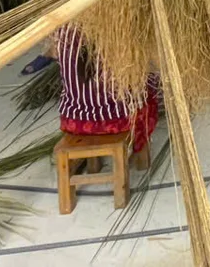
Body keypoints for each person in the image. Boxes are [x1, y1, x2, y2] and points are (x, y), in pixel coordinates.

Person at [56, 25, 157, 169]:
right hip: (119, 120)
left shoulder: (63, 28)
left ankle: (93, 165)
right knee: (148, 93)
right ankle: (141, 157)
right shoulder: (120, 24)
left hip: (74, 120)